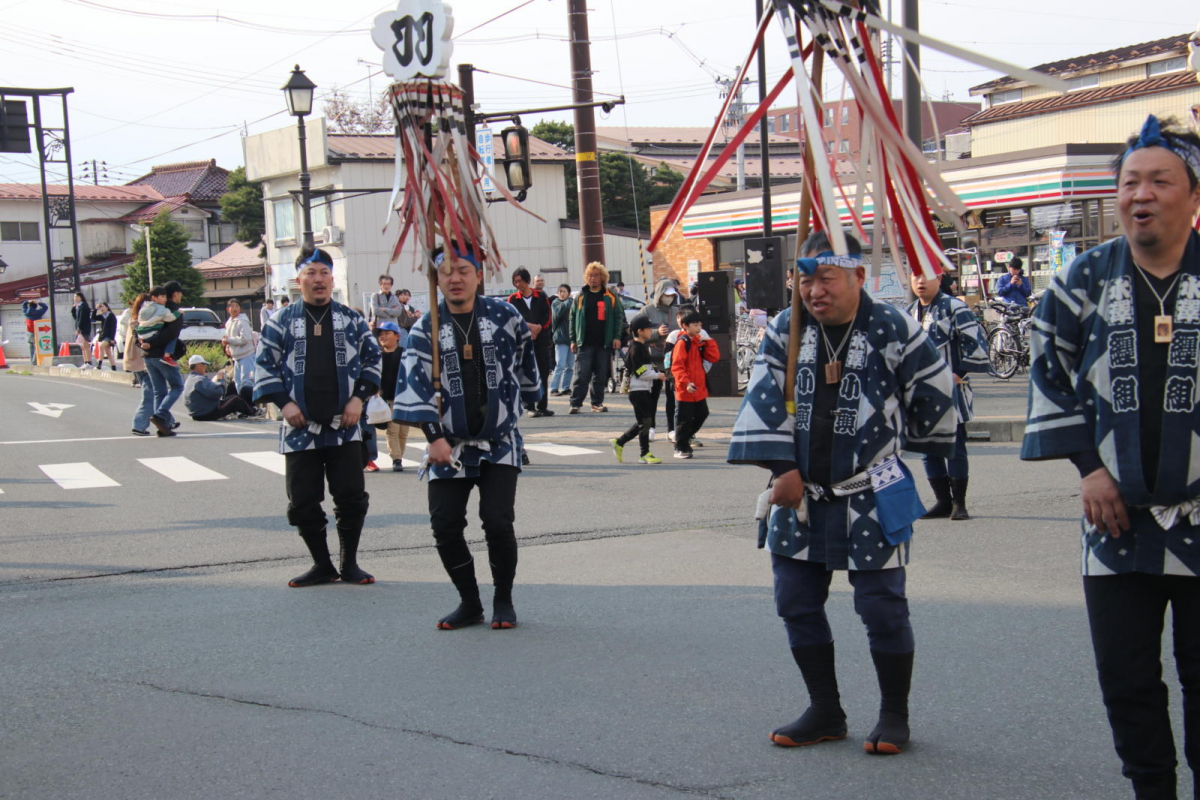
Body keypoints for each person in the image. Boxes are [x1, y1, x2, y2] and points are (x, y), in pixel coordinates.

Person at [1021, 115, 1200, 800]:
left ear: (1194, 195)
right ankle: (1151, 790)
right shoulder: (1084, 278)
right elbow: (1049, 372)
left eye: (1160, 181)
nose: (1140, 195)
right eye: (1129, 182)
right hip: (1116, 519)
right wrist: (1088, 469)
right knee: (1126, 677)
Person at [727, 230, 955, 756]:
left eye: (825, 278)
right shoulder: (786, 327)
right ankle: (825, 709)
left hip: (873, 489)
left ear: (858, 275)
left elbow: (933, 392)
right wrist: (782, 466)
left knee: (882, 608)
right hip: (800, 490)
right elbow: (764, 395)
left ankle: (894, 714)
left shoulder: (894, 327)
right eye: (804, 279)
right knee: (795, 601)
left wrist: (908, 439)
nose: (814, 291)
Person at [392, 242, 541, 630]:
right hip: (448, 444)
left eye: (463, 270)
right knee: (444, 525)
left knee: (497, 521)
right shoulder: (426, 326)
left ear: (478, 274)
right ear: (436, 279)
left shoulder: (505, 315)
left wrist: (518, 403)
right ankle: (469, 602)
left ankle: (503, 599)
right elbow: (414, 384)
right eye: (446, 272)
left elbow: (525, 364)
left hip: (499, 442)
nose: (455, 278)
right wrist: (433, 436)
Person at [254, 247, 381, 588]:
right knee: (303, 501)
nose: (318, 279)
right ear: (299, 281)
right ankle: (321, 564)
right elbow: (264, 365)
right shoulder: (280, 320)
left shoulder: (352, 319)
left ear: (332, 279)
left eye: (324, 272)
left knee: (351, 497)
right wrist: (284, 403)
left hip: (345, 426)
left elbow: (373, 360)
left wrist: (358, 398)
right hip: (299, 427)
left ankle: (349, 562)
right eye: (311, 273)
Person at [906, 268, 991, 520]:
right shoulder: (909, 313)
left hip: (951, 388)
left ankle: (959, 503)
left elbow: (975, 344)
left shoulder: (955, 307)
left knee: (954, 446)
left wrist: (957, 374)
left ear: (939, 279)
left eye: (926, 275)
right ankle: (942, 501)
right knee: (927, 448)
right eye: (915, 276)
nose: (920, 281)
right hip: (920, 392)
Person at [568, 261, 623, 414]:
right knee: (581, 374)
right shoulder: (581, 296)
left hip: (603, 342)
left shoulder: (610, 296)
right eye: (590, 276)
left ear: (602, 277)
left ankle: (597, 403)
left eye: (596, 275)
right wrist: (573, 339)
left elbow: (618, 317)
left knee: (600, 375)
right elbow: (572, 318)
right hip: (584, 342)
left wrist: (617, 337)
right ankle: (575, 403)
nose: (593, 278)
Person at [610, 314, 665, 465]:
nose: (651, 331)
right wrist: (658, 375)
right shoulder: (635, 348)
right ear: (640, 331)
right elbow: (641, 372)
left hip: (643, 389)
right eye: (649, 328)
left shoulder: (642, 346)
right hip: (638, 390)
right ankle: (644, 454)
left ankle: (620, 442)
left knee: (644, 422)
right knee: (645, 422)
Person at [670, 307, 719, 459]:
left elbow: (714, 357)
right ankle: (680, 447)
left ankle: (683, 440)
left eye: (700, 325)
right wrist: (686, 383)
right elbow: (677, 366)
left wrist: (708, 341)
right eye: (695, 325)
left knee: (702, 413)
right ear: (685, 326)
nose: (699, 328)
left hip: (697, 387)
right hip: (686, 389)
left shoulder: (698, 342)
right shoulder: (682, 342)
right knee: (684, 420)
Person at [143, 281, 187, 437]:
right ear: (175, 294)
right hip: (162, 356)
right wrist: (154, 344)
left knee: (159, 391)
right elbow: (170, 334)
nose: (181, 295)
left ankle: (163, 426)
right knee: (177, 386)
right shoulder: (173, 311)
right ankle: (161, 415)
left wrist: (145, 344)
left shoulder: (152, 309)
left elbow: (138, 327)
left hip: (148, 356)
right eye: (180, 292)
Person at [507, 267, 553, 418]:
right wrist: (529, 327)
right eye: (515, 282)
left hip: (541, 339)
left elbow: (547, 315)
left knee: (543, 372)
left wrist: (538, 327)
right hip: (523, 341)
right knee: (527, 372)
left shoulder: (541, 295)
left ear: (527, 281)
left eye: (520, 281)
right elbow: (512, 318)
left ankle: (543, 406)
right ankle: (530, 407)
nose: (518, 284)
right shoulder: (513, 299)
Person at [644, 277, 681, 440]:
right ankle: (650, 427)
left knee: (672, 397)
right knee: (652, 396)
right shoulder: (647, 311)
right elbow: (635, 331)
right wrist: (655, 333)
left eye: (672, 295)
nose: (669, 298)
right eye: (667, 294)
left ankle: (671, 429)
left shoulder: (677, 312)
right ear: (659, 294)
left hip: (673, 361)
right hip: (653, 359)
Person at [374, 321, 410, 473]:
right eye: (381, 334)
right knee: (393, 430)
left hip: (405, 399)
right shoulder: (377, 356)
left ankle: (399, 456)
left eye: (387, 333)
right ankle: (396, 458)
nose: (383, 336)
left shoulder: (405, 354)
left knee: (403, 432)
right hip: (387, 399)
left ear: (397, 336)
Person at [184, 354, 257, 421]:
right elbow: (218, 393)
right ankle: (253, 412)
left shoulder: (190, 379)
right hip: (207, 413)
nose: (205, 366)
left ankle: (241, 412)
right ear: (197, 365)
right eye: (203, 364)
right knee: (235, 399)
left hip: (197, 413)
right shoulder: (200, 380)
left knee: (231, 391)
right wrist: (220, 380)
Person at [124, 293, 155, 436]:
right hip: (143, 362)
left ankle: (167, 420)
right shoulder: (140, 323)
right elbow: (141, 344)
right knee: (149, 394)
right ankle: (139, 425)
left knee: (155, 392)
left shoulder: (134, 320)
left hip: (136, 362)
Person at [135, 286, 179, 367]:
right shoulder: (162, 309)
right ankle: (167, 356)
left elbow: (139, 321)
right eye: (162, 297)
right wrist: (178, 313)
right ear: (153, 298)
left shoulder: (144, 308)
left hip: (142, 335)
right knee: (173, 336)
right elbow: (170, 318)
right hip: (152, 334)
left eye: (165, 297)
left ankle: (144, 343)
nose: (165, 299)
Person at [222, 299, 255, 403]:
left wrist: (229, 340)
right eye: (232, 306)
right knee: (238, 382)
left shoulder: (242, 321)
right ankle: (243, 405)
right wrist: (227, 345)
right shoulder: (229, 322)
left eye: (237, 306)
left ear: (240, 308)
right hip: (236, 356)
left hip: (246, 354)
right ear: (228, 309)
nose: (235, 308)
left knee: (247, 382)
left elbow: (245, 338)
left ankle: (250, 405)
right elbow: (228, 337)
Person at [550, 283, 574, 395]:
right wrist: (569, 300)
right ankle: (554, 388)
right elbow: (559, 312)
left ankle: (565, 387)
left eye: (564, 291)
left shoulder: (571, 303)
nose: (562, 293)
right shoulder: (556, 303)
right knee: (560, 365)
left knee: (570, 366)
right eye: (560, 291)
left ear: (568, 293)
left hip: (571, 339)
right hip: (560, 338)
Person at [21, 297, 48, 363]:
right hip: (38, 332)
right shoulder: (39, 313)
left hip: (30, 332)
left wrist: (28, 301)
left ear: (29, 306)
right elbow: (45, 307)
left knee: (31, 346)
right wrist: (38, 302)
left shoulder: (26, 313)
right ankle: (35, 360)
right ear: (36, 307)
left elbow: (23, 305)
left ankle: (32, 361)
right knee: (37, 347)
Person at [93, 302, 119, 370]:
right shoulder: (103, 316)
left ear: (107, 307)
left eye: (103, 306)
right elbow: (93, 317)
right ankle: (114, 368)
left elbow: (113, 327)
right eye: (100, 307)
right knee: (108, 353)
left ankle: (99, 365)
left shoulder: (111, 315)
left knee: (101, 346)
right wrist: (96, 309)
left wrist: (112, 338)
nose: (101, 308)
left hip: (109, 337)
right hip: (104, 336)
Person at [71, 292, 92, 364]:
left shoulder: (83, 306)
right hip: (80, 329)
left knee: (85, 345)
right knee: (82, 346)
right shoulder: (78, 306)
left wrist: (79, 328)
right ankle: (86, 362)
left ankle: (89, 362)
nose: (75, 298)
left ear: (81, 297)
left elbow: (82, 318)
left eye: (77, 297)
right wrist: (73, 308)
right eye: (74, 297)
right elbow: (76, 318)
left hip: (84, 329)